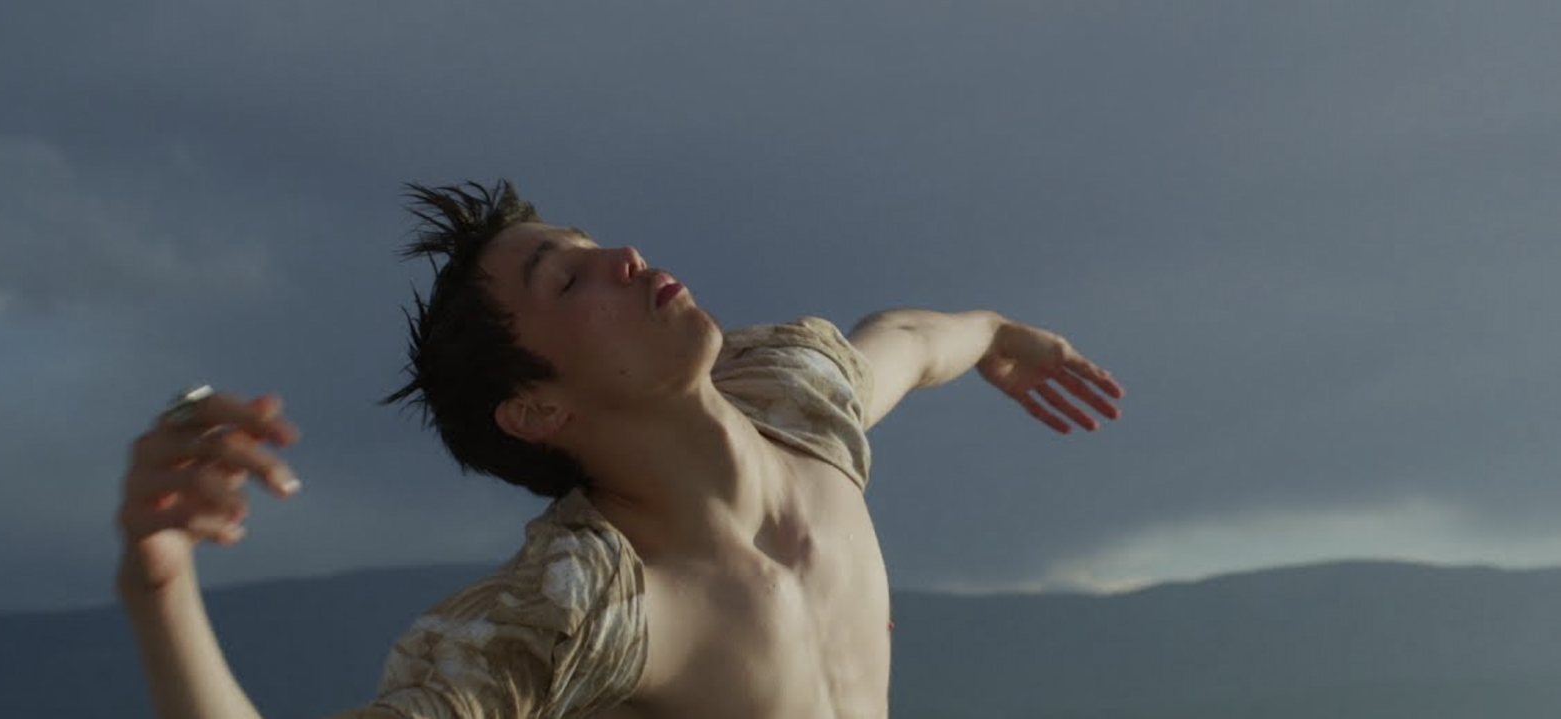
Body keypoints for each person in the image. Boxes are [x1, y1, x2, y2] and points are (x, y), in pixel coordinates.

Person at [115, 180, 1125, 719]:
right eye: (566, 279)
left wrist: (994, 332)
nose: (624, 257)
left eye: (590, 241)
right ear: (534, 409)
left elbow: (903, 338)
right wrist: (160, 585)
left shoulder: (798, 396)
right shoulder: (587, 604)